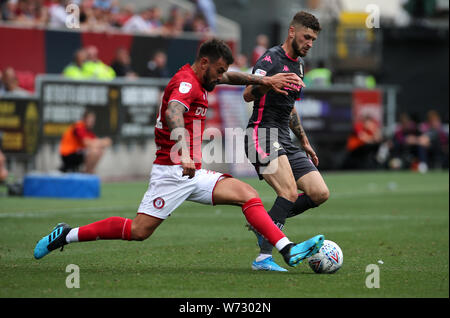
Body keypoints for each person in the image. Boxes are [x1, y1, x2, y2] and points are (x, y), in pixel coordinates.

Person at [34, 39, 325, 269]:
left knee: (248, 194)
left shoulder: (203, 77)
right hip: (172, 172)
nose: (222, 76)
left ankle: (285, 249)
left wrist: (264, 81)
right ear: (204, 62)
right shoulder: (185, 83)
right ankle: (66, 234)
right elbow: (174, 111)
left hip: (192, 172)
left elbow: (233, 77)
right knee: (139, 230)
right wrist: (183, 152)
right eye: (219, 70)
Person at [242, 11, 330, 272]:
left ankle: (267, 223)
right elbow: (248, 94)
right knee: (289, 192)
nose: (309, 44)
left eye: (313, 39)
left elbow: (291, 107)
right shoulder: (270, 58)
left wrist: (304, 140)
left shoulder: (299, 65)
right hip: (261, 133)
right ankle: (263, 258)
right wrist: (269, 82)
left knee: (319, 193)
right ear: (292, 32)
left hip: (285, 136)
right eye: (306, 37)